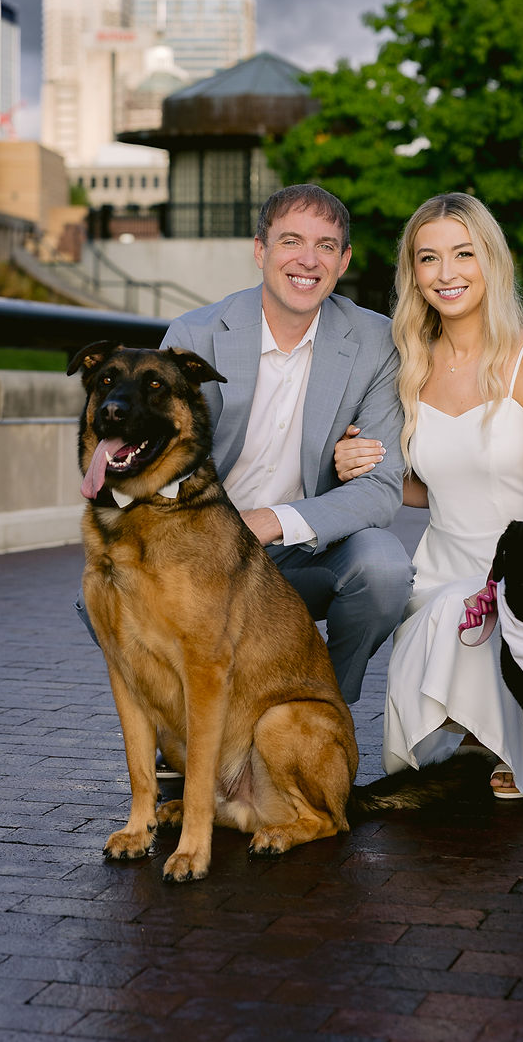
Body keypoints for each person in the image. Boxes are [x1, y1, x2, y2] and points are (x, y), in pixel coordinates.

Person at [335, 193, 523, 800]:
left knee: (470, 608)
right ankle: (477, 724)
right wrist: (356, 466)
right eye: (428, 258)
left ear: (492, 261)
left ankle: (505, 733)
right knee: (449, 606)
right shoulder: (408, 365)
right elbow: (430, 488)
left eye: (463, 253)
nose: (446, 273)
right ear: (413, 272)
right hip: (439, 569)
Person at [156, 183, 413, 706]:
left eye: (325, 246)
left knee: (384, 569)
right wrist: (220, 534)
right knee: (101, 594)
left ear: (343, 261)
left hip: (306, 554)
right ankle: (186, 720)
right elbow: (163, 466)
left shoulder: (376, 344)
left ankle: (320, 710)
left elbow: (381, 489)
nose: (308, 260)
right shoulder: (195, 336)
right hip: (203, 548)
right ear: (260, 250)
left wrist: (271, 521)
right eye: (291, 241)